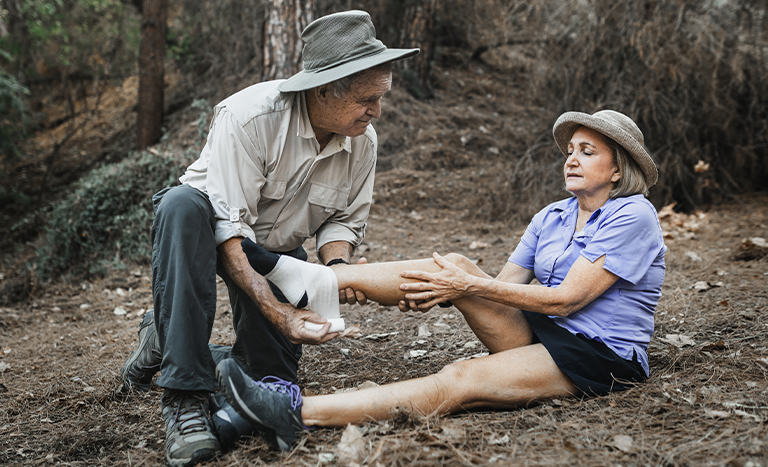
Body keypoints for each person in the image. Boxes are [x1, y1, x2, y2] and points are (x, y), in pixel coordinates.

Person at [214, 109, 667, 448]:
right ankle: (321, 283)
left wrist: (464, 288)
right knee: (453, 263)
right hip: (538, 333)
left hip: (598, 354)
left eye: (588, 152)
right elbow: (501, 285)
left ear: (617, 169)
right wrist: (447, 288)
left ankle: (294, 410)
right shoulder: (553, 216)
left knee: (461, 378)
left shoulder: (633, 215)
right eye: (570, 151)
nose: (572, 159)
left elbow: (568, 300)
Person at [119, 10, 418, 467]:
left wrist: (334, 274)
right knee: (181, 206)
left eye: (381, 96)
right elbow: (229, 228)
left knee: (270, 381)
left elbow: (341, 223)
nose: (376, 111)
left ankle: (165, 338)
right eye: (366, 99)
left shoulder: (364, 140)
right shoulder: (249, 116)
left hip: (278, 252)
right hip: (211, 231)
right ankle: (183, 398)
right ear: (323, 89)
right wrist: (277, 309)